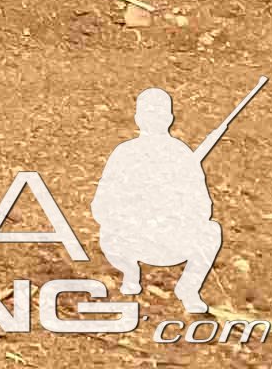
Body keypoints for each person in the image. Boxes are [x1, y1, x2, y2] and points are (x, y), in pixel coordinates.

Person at [93, 87, 229, 315]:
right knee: (109, 231)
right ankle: (130, 272)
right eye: (150, 114)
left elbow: (202, 208)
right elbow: (101, 205)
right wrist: (133, 212)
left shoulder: (182, 155)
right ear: (138, 118)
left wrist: (172, 210)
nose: (154, 119)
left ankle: (188, 289)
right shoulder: (125, 154)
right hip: (131, 239)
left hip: (170, 241)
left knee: (211, 231)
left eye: (158, 114)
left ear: (169, 119)